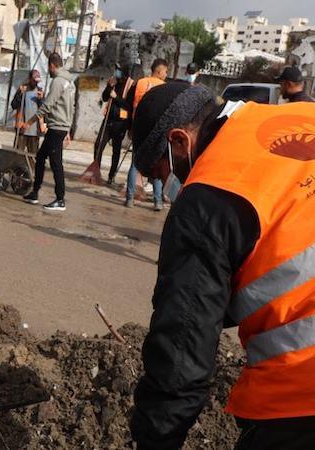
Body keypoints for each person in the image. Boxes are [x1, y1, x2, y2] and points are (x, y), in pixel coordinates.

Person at [128, 82, 315, 449]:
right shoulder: (301, 114)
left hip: (301, 390)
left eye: (161, 172)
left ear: (179, 141)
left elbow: (181, 355)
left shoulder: (207, 195)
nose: (169, 183)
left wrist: (155, 439)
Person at [22, 52, 75, 211]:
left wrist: (30, 121)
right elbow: (71, 107)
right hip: (61, 126)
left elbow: (47, 106)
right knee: (40, 157)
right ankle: (35, 192)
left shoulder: (58, 82)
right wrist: (69, 128)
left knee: (56, 163)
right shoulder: (70, 82)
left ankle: (60, 199)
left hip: (57, 126)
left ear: (52, 65)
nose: (48, 70)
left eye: (48, 67)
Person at [124, 58, 168, 210]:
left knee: (135, 164)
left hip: (139, 129)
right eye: (165, 71)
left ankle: (129, 199)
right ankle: (157, 201)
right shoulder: (165, 88)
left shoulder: (139, 83)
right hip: (157, 131)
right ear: (159, 71)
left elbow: (128, 107)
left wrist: (130, 128)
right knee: (156, 165)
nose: (166, 75)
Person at [100, 64, 132, 185]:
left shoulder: (130, 85)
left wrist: (116, 97)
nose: (116, 73)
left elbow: (128, 106)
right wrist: (109, 87)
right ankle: (96, 170)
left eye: (119, 71)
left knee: (116, 150)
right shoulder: (114, 82)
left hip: (121, 122)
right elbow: (104, 98)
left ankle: (111, 176)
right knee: (99, 144)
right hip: (108, 120)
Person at [11, 69, 43, 162]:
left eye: (37, 81)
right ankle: (15, 175)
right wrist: (19, 95)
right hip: (22, 128)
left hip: (34, 130)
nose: (35, 83)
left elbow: (43, 110)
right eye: (34, 81)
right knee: (17, 154)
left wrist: (41, 99)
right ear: (29, 79)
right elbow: (13, 105)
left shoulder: (39, 91)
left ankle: (31, 174)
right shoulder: (23, 89)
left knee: (32, 157)